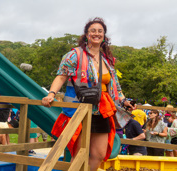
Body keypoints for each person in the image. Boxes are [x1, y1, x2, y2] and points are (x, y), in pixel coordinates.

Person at [41, 17, 133, 170]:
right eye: (93, 31)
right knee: (78, 153)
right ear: (86, 34)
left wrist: (125, 101)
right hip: (80, 107)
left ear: (104, 35)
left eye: (100, 31)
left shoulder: (107, 60)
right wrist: (51, 93)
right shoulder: (75, 55)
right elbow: (62, 75)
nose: (96, 34)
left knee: (99, 153)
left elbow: (115, 85)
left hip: (101, 109)